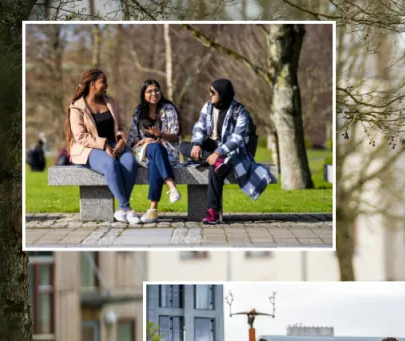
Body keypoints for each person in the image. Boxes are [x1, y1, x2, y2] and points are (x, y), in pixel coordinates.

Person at [180, 79, 271, 225]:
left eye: (213, 92)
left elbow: (237, 138)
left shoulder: (240, 111)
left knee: (215, 170)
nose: (210, 95)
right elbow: (199, 126)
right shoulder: (208, 106)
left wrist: (218, 153)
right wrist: (197, 144)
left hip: (232, 150)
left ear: (222, 94)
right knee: (184, 147)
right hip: (211, 147)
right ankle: (216, 160)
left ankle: (213, 212)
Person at [64, 68, 140, 224]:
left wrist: (121, 141)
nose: (107, 85)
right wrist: (104, 145)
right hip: (89, 148)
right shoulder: (76, 107)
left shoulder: (109, 101)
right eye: (103, 82)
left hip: (114, 143)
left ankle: (120, 210)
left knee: (130, 162)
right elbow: (81, 137)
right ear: (92, 84)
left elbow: (122, 126)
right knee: (110, 164)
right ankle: (126, 208)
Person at [128, 79, 182, 223]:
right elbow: (132, 139)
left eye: (156, 90)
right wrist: (144, 141)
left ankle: (153, 210)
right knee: (154, 148)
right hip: (143, 152)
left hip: (168, 153)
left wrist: (161, 135)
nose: (154, 94)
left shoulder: (169, 109)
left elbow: (175, 136)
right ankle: (172, 186)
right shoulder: (139, 111)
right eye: (149, 91)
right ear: (143, 94)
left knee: (155, 159)